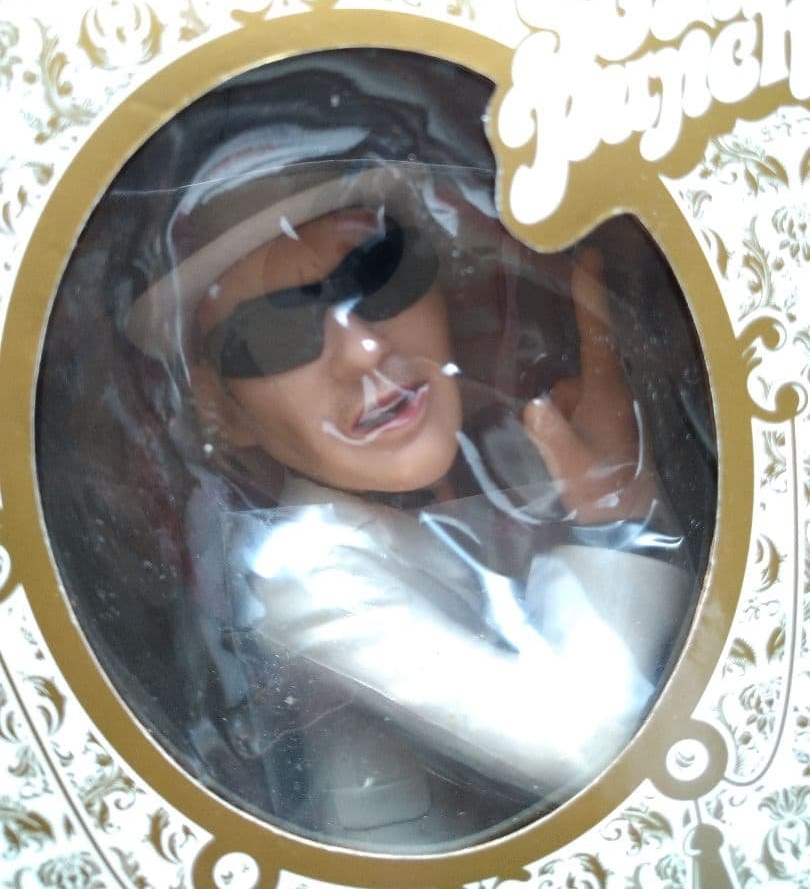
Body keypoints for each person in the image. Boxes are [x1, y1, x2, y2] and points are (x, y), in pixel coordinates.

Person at [38, 51, 714, 854]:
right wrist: (620, 517)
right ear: (222, 411)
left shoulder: (510, 462)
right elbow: (585, 744)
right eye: (279, 333)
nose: (362, 349)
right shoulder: (305, 575)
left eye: (379, 272)